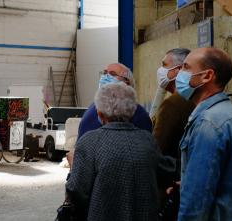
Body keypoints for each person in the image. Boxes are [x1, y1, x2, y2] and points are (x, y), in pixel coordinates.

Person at [66, 83, 175, 221]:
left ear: (100, 114)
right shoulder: (147, 139)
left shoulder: (90, 141)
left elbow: (76, 189)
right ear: (132, 111)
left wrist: (72, 167)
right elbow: (166, 170)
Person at [176, 48, 232, 220]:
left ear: (207, 76)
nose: (179, 74)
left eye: (186, 67)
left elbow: (196, 200)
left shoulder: (208, 123)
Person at [77, 63, 152, 140]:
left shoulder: (140, 114)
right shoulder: (92, 112)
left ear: (127, 83)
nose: (105, 76)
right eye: (105, 73)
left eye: (112, 74)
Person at [152, 48, 195, 161]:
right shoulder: (196, 97)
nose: (160, 70)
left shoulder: (172, 104)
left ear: (179, 69)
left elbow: (157, 148)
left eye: (164, 65)